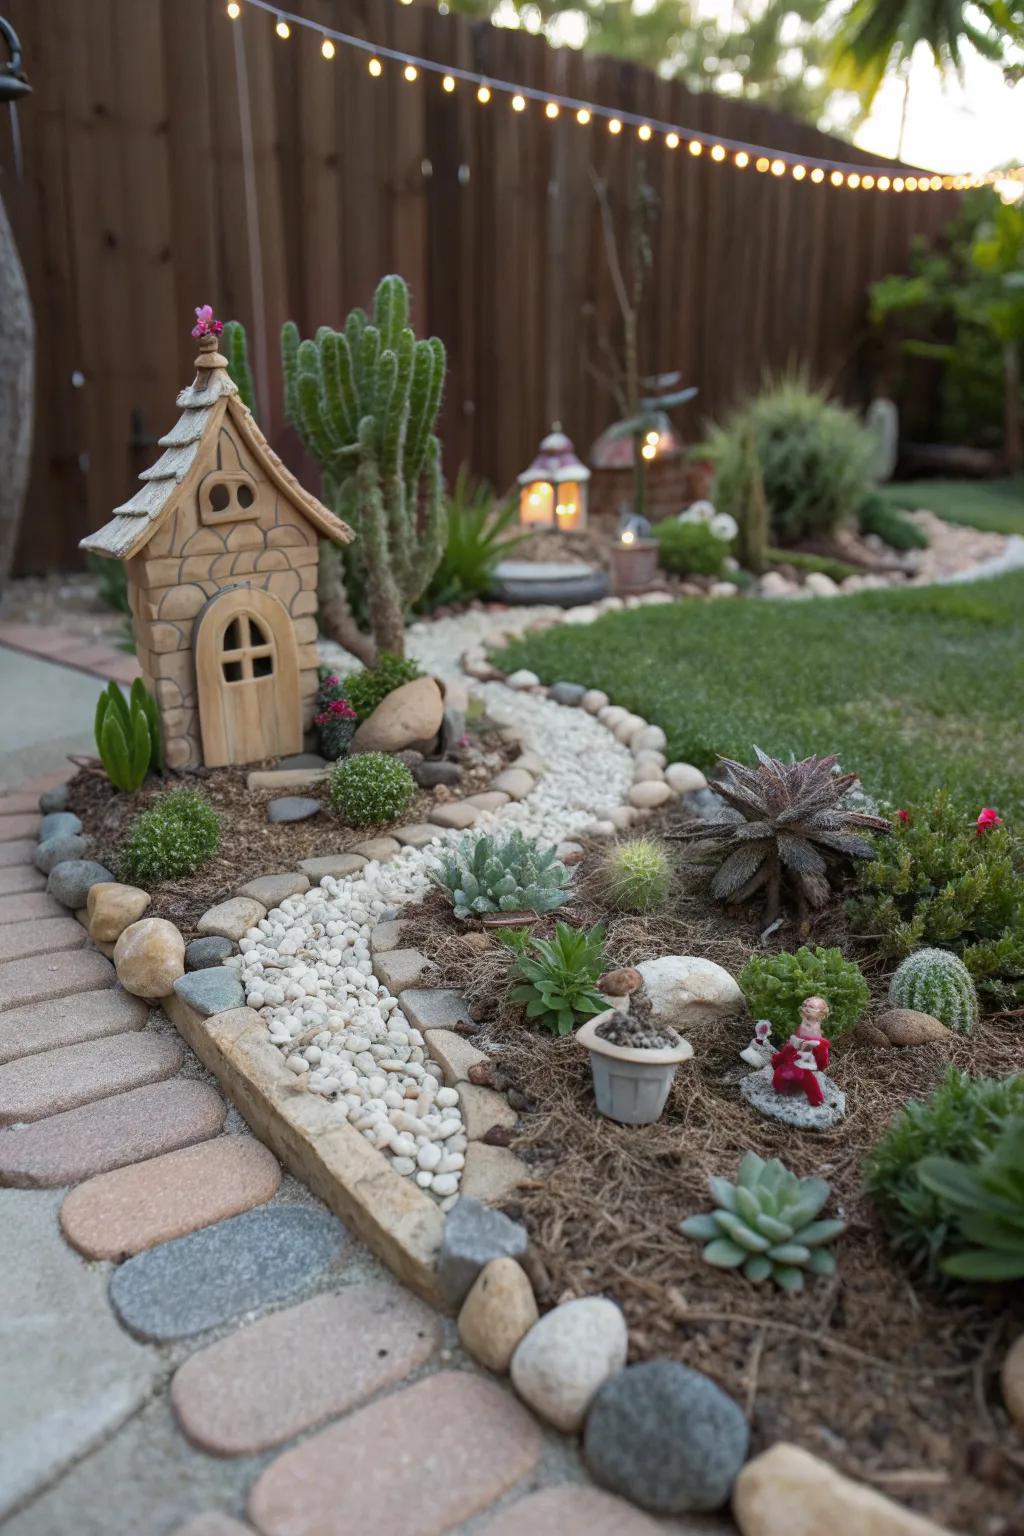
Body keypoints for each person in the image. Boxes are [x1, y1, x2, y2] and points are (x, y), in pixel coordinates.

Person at [770, 995, 831, 1107]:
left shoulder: (814, 1028)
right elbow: (797, 1037)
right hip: (795, 1050)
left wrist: (803, 1045)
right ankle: (782, 1083)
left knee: (806, 1076)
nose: (807, 1008)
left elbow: (815, 1044)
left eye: (811, 1007)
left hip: (806, 1054)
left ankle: (816, 1099)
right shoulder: (805, 1022)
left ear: (820, 1013)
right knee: (781, 1073)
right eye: (806, 1005)